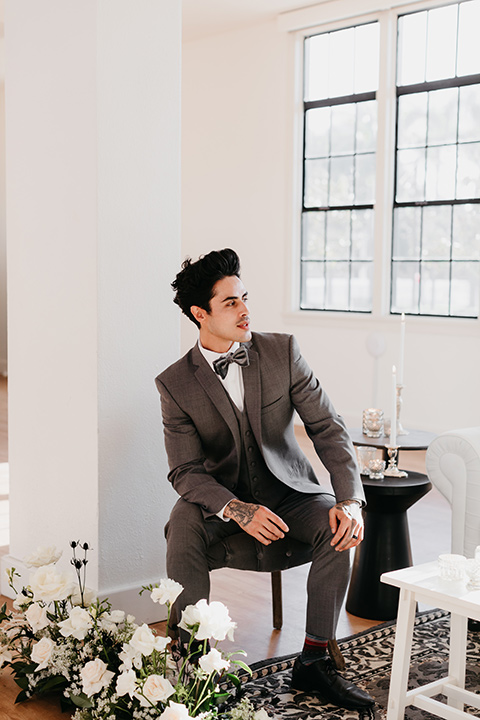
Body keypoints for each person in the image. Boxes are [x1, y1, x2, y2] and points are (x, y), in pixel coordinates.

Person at [155, 249, 374, 712]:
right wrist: (236, 509)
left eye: (244, 298)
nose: (245, 310)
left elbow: (328, 428)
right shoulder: (175, 383)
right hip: (225, 504)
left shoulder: (281, 351)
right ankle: (197, 666)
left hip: (291, 493)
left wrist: (350, 500)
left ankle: (314, 661)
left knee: (340, 526)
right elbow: (185, 471)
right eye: (231, 303)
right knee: (182, 523)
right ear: (201, 314)